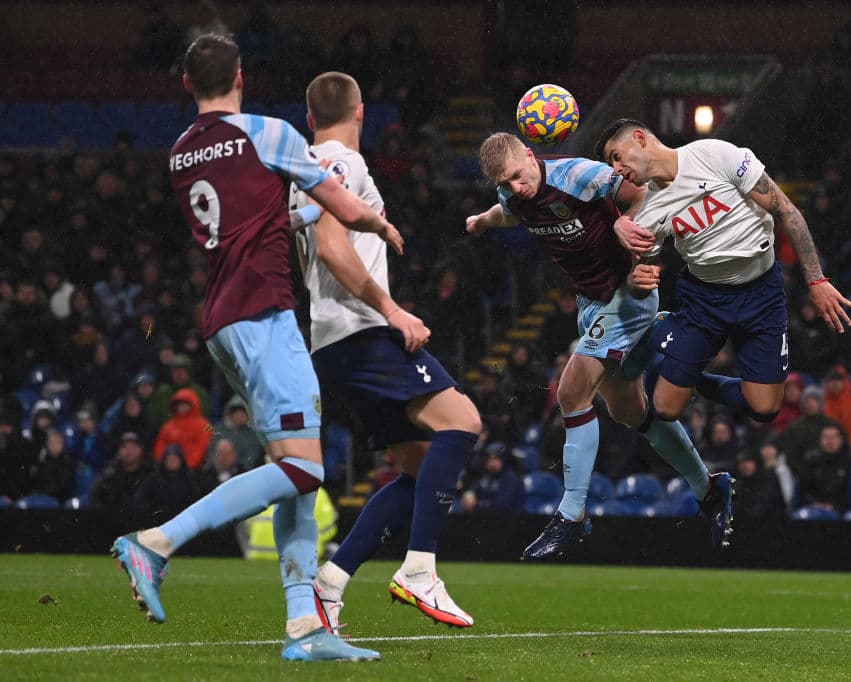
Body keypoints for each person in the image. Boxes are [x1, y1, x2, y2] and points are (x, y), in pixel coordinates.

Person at [110, 35, 399, 663]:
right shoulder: (266, 133)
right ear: (241, 76)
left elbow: (256, 221)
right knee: (305, 470)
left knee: (292, 466)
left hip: (221, 320)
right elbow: (341, 207)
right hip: (264, 315)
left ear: (188, 84)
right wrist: (378, 221)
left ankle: (304, 627)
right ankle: (156, 542)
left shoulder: (182, 151)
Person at [467, 132, 726, 557]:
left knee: (571, 390)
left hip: (629, 291)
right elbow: (508, 210)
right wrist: (482, 220)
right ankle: (709, 489)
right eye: (505, 182)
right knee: (628, 411)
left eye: (517, 175)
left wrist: (630, 223)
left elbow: (644, 189)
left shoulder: (579, 174)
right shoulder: (511, 192)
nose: (515, 186)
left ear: (531, 157)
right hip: (592, 302)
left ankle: (572, 515)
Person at [289, 72, 481, 631]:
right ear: (361, 112)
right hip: (361, 330)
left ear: (308, 116)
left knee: (421, 470)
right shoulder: (340, 162)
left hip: (333, 338)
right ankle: (419, 570)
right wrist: (392, 309)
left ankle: (329, 584)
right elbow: (329, 246)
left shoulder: (305, 163)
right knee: (463, 422)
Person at [596, 119, 851, 474]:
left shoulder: (713, 154)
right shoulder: (648, 212)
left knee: (765, 409)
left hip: (762, 294)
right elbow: (641, 266)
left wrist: (817, 280)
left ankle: (680, 360)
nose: (617, 170)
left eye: (616, 156)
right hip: (706, 300)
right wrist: (637, 274)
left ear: (640, 139)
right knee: (666, 409)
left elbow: (785, 209)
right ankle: (666, 333)